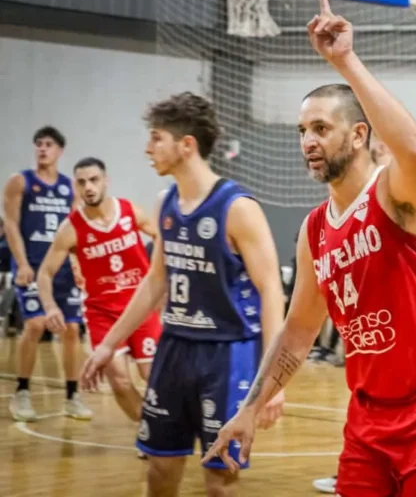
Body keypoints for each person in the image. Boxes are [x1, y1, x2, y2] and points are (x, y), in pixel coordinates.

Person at [203, 0, 416, 496]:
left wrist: (345, 59)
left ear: (359, 135)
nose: (307, 141)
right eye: (301, 130)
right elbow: (298, 331)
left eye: (320, 127)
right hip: (369, 416)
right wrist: (249, 410)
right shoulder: (315, 231)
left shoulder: (396, 195)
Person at [80, 91, 286, 496]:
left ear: (186, 145)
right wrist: (108, 345)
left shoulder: (238, 207)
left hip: (227, 355)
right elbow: (155, 281)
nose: (147, 148)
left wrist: (274, 381)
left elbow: (271, 291)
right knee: (159, 468)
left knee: (219, 479)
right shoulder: (165, 203)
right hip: (174, 348)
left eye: (157, 137)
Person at [312, 133, 416, 495]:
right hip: (374, 351)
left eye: (387, 147)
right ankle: (353, 468)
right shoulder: (335, 215)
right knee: (363, 389)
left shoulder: (411, 197)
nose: (382, 153)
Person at [37, 157, 161, 426]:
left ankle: (165, 429)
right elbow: (44, 273)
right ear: (75, 187)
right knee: (118, 379)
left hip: (139, 305)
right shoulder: (70, 229)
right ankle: (150, 432)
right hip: (101, 311)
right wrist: (50, 306)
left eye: (94, 180)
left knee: (152, 374)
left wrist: (164, 278)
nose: (88, 187)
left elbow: (162, 238)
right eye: (81, 182)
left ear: (106, 181)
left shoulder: (130, 211)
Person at [4, 126, 91, 422]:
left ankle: (72, 395)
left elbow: (77, 231)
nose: (43, 149)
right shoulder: (21, 181)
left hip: (62, 269)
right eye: (38, 144)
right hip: (32, 266)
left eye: (49, 144)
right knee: (35, 325)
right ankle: (23, 392)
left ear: (60, 151)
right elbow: (12, 224)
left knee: (71, 331)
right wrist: (22, 263)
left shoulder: (69, 187)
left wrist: (79, 267)